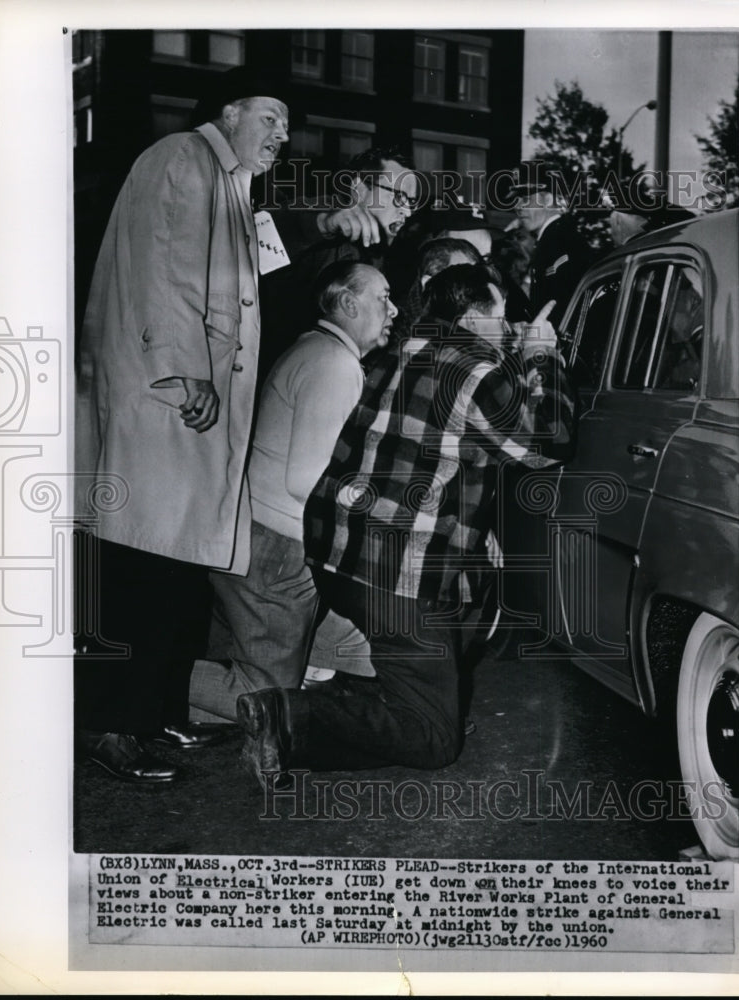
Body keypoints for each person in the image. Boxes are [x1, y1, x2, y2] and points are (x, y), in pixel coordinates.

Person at [235, 264, 577, 783]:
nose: (509, 327)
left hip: (336, 556)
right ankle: (290, 716)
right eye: (502, 315)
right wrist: (541, 354)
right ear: (473, 316)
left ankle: (385, 700)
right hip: (395, 575)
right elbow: (549, 444)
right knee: (436, 741)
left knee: (467, 596)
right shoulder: (476, 371)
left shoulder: (393, 354)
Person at [74, 67, 297, 783]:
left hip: (189, 412)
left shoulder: (230, 183)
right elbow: (162, 273)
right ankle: (108, 725)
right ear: (229, 111)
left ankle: (155, 710)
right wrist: (185, 371)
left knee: (175, 568)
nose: (282, 135)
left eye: (285, 125)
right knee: (140, 564)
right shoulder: (181, 160)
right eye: (270, 117)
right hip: (166, 399)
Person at [188, 262, 397, 722]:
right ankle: (141, 684)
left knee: (355, 651)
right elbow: (307, 480)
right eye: (383, 298)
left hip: (250, 534)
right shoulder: (335, 365)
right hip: (277, 549)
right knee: (264, 699)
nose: (394, 309)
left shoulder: (314, 348)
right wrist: (378, 507)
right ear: (347, 303)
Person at [257, 147, 418, 379]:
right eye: (399, 197)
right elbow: (249, 247)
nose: (408, 212)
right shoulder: (314, 213)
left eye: (412, 202)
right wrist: (322, 225)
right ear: (358, 188)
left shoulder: (387, 253)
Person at [508, 161, 591, 328]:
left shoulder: (560, 243)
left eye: (525, 198)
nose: (517, 206)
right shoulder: (554, 239)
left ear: (547, 199)